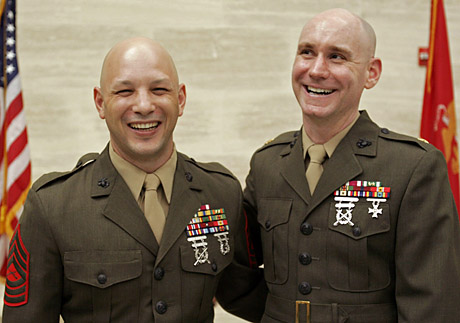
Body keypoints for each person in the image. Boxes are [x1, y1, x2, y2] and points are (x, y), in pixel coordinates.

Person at [2, 37, 265, 322]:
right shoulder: (54, 206)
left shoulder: (220, 193)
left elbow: (250, 296)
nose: (143, 105)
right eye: (125, 91)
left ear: (180, 99)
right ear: (100, 103)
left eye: (159, 89)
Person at [243, 8, 460, 322]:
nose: (316, 70)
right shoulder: (267, 163)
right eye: (307, 52)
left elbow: (433, 304)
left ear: (371, 73)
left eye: (337, 57)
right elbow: (237, 273)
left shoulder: (413, 167)